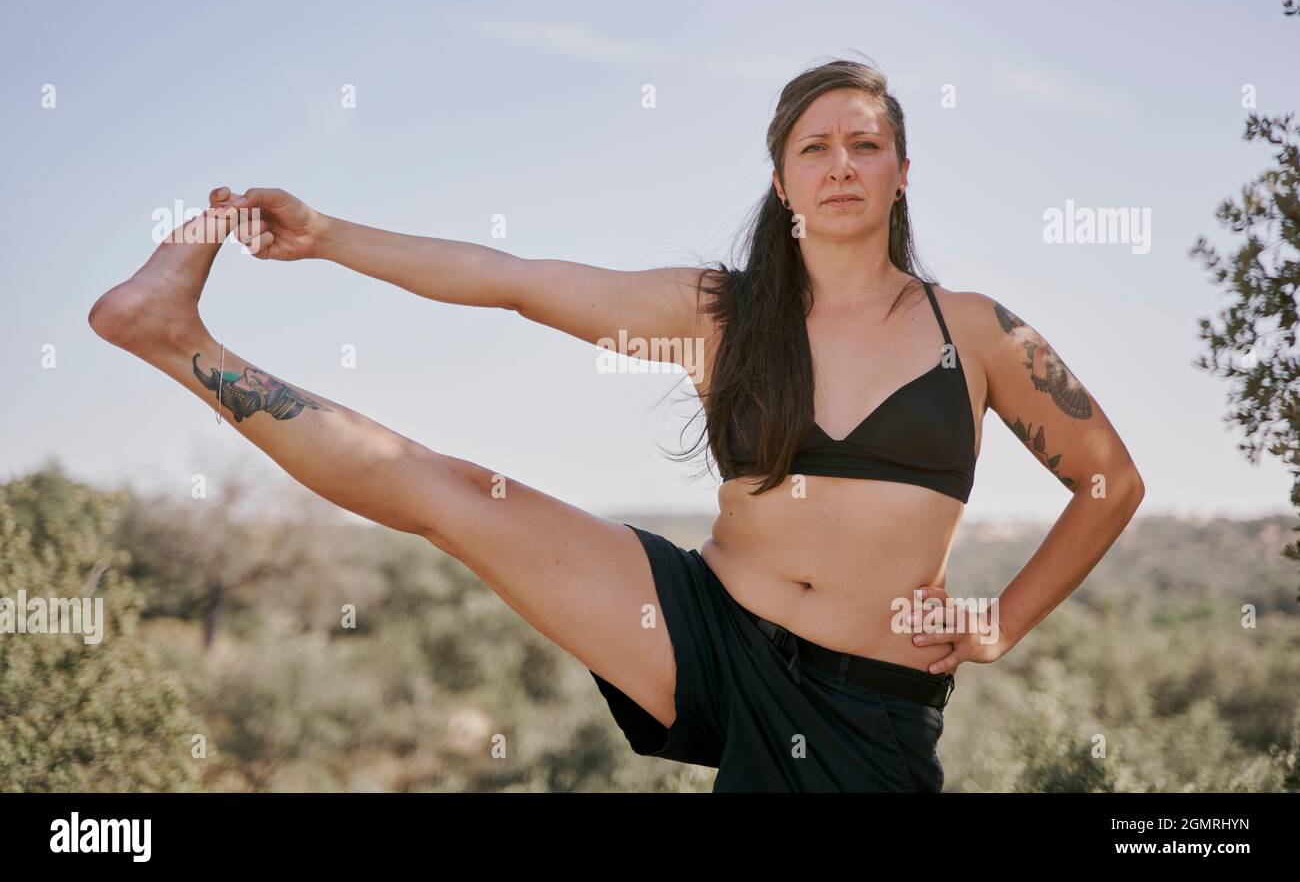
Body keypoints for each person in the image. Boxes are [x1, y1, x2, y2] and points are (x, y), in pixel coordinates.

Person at [88, 57, 1144, 792]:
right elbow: (514, 280)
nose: (838, 166)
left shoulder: (979, 333)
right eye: (812, 148)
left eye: (863, 146)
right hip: (706, 630)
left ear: (900, 170)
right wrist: (325, 234)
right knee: (447, 492)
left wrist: (1003, 621)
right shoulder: (720, 315)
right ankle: (172, 334)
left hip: (870, 710)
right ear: (781, 180)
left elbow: (1108, 480)